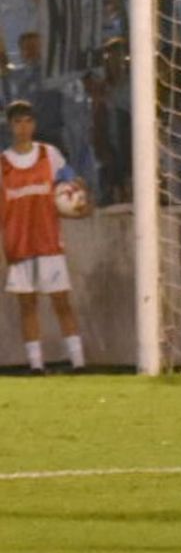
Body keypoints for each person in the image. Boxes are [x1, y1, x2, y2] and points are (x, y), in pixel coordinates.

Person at [1, 99, 89, 374]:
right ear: (10, 126)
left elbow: (72, 183)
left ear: (34, 124)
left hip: (48, 241)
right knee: (27, 305)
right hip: (19, 243)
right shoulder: (3, 164)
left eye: (27, 120)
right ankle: (36, 365)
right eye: (17, 121)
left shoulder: (49, 155)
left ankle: (78, 363)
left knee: (61, 301)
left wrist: (79, 196)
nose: (23, 126)